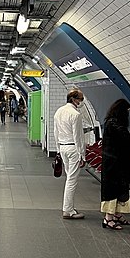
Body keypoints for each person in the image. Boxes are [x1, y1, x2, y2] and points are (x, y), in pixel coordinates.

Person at [100, 99, 130, 230]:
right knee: (113, 189)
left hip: (114, 162)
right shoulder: (115, 124)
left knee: (119, 188)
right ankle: (108, 218)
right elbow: (126, 140)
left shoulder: (112, 122)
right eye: (127, 111)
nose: (127, 114)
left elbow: (122, 137)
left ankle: (117, 214)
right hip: (114, 164)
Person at [53, 89, 86, 219]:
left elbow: (56, 133)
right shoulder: (75, 114)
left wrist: (58, 150)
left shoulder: (58, 112)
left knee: (69, 178)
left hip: (63, 147)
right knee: (72, 180)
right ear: (74, 99)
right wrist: (82, 155)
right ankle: (68, 210)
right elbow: (78, 137)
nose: (82, 102)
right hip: (73, 149)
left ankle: (69, 207)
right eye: (81, 99)